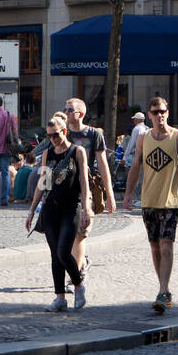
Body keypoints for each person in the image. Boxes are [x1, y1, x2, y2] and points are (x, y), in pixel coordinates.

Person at [123, 96, 178, 314]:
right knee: (155, 247)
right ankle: (163, 288)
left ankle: (163, 291)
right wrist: (127, 194)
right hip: (149, 200)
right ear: (149, 115)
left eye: (162, 111)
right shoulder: (143, 138)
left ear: (168, 112)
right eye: (155, 112)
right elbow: (136, 166)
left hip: (171, 201)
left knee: (166, 245)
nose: (159, 115)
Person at [26, 112, 91, 311]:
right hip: (51, 208)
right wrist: (31, 211)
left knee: (64, 251)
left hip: (71, 207)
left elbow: (84, 181)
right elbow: (42, 183)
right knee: (55, 254)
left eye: (55, 134)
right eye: (49, 136)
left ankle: (78, 285)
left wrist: (87, 208)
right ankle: (60, 297)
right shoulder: (47, 154)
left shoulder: (77, 151)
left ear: (64, 131)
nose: (52, 139)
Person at [63, 98, 116, 289]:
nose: (66, 112)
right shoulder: (62, 132)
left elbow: (102, 165)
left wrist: (109, 195)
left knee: (80, 233)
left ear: (81, 114)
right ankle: (82, 263)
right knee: (67, 235)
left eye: (70, 109)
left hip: (87, 188)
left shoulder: (93, 134)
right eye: (65, 109)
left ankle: (74, 278)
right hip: (65, 189)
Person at [123, 111, 149, 204]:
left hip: (137, 154)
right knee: (143, 177)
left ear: (137, 120)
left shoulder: (136, 129)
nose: (134, 121)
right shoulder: (147, 129)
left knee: (135, 177)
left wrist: (125, 158)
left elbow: (131, 143)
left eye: (134, 119)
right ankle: (142, 198)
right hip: (146, 155)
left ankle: (137, 199)